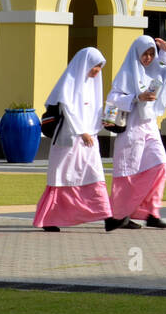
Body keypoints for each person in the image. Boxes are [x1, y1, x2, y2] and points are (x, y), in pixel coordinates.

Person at [106, 35, 166, 229]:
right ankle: (119, 215)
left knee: (160, 165)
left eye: (152, 54)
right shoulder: (127, 73)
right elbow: (112, 99)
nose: (149, 58)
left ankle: (151, 212)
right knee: (128, 172)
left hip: (150, 125)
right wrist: (136, 97)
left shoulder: (159, 71)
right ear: (137, 54)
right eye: (145, 54)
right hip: (132, 128)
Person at [33, 47, 114, 232]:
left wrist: (104, 122)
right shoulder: (69, 83)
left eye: (100, 67)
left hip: (89, 140)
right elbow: (68, 108)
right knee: (61, 178)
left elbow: (93, 112)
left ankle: (107, 216)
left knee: (95, 176)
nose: (97, 71)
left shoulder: (92, 86)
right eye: (96, 66)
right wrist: (81, 131)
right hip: (69, 140)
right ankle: (49, 219)